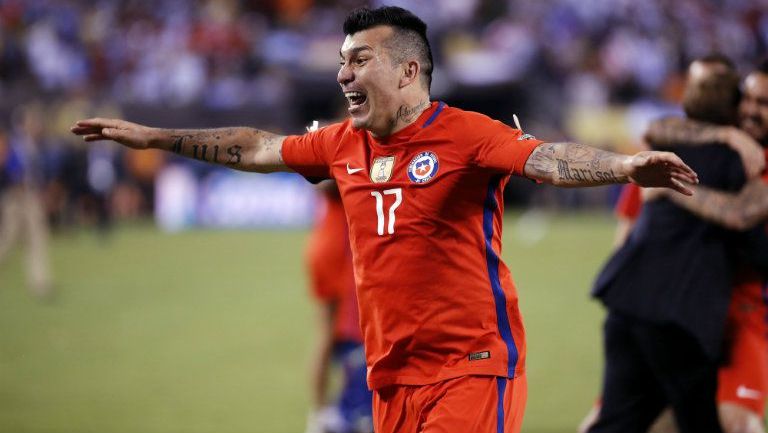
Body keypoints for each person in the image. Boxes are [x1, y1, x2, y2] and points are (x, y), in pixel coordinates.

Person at [71, 6, 697, 432]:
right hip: (390, 375)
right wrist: (155, 137)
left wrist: (623, 165)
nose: (344, 73)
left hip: (471, 366)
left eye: (359, 60)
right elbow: (257, 145)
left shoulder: (466, 134)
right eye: (342, 61)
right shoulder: (343, 142)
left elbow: (548, 158)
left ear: (407, 70)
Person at [588, 55, 748, 433]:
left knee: (621, 419)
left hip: (637, 300)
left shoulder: (668, 145)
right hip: (680, 313)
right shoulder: (728, 156)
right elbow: (746, 224)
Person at [638, 61, 768, 433]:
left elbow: (740, 214)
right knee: (653, 420)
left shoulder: (758, 161)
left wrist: (670, 189)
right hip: (687, 306)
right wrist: (728, 137)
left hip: (745, 310)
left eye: (764, 103)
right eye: (749, 99)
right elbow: (655, 129)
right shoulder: (721, 142)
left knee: (737, 420)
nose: (750, 111)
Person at [305, 181, 372, 433]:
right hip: (341, 247)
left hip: (330, 240)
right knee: (353, 330)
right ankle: (344, 411)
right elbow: (325, 183)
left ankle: (321, 413)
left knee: (328, 332)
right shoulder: (348, 149)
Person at [0, 103, 53, 298]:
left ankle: (40, 283)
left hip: (30, 196)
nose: (37, 125)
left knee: (37, 239)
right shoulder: (11, 143)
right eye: (33, 121)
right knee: (7, 240)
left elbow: (37, 172)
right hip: (14, 197)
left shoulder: (33, 145)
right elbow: (7, 169)